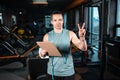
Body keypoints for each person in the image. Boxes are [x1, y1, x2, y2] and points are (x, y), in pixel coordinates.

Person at [38, 11, 87, 80]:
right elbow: (43, 55)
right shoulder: (47, 36)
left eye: (60, 20)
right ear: (52, 22)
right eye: (55, 20)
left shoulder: (70, 34)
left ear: (63, 21)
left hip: (68, 72)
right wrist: (42, 54)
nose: (58, 22)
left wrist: (82, 38)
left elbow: (83, 48)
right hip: (53, 72)